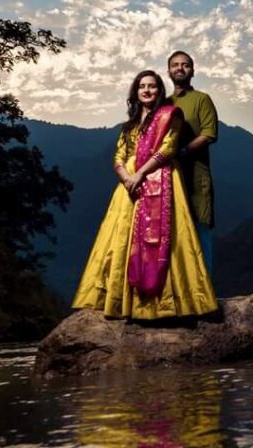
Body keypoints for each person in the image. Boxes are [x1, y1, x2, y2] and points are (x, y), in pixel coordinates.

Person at [72, 70, 217, 319]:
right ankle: (122, 304)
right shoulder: (129, 125)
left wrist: (140, 174)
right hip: (129, 186)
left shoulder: (170, 116)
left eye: (152, 86)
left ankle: (167, 305)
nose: (147, 90)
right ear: (136, 92)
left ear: (160, 91)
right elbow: (119, 154)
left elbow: (169, 148)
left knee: (169, 241)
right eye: (142, 86)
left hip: (161, 177)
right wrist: (126, 177)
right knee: (120, 241)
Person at [167, 51, 219, 276]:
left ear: (193, 71)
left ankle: (205, 294)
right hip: (169, 178)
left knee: (200, 231)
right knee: (173, 235)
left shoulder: (202, 99)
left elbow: (209, 134)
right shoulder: (164, 103)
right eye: (175, 65)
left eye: (185, 65)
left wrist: (181, 152)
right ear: (168, 71)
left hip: (196, 177)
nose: (180, 68)